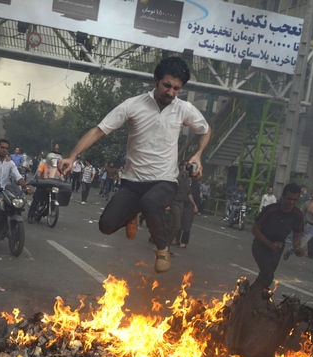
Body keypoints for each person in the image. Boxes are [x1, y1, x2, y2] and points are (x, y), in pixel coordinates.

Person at [58, 56, 211, 273]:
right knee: (106, 225)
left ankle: (162, 249)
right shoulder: (133, 105)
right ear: (155, 80)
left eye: (176, 88)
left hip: (164, 181)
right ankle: (132, 213)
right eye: (167, 85)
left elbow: (205, 130)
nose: (171, 92)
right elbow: (99, 130)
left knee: (150, 202)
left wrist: (198, 155)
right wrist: (72, 156)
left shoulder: (183, 109)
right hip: (132, 182)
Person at [250, 183, 305, 291]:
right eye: (289, 199)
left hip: (278, 247)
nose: (291, 202)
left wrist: (297, 248)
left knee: (266, 276)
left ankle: (250, 297)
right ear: (283, 196)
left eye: (295, 200)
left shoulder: (298, 215)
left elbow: (297, 234)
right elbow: (255, 229)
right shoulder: (270, 210)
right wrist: (269, 244)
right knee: (267, 274)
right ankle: (251, 298)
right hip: (261, 244)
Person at [28, 142, 64, 222]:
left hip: (52, 185)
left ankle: (44, 213)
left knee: (54, 198)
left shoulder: (56, 168)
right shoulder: (43, 164)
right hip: (43, 184)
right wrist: (39, 176)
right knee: (36, 199)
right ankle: (30, 216)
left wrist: (62, 178)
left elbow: (60, 175)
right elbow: (39, 173)